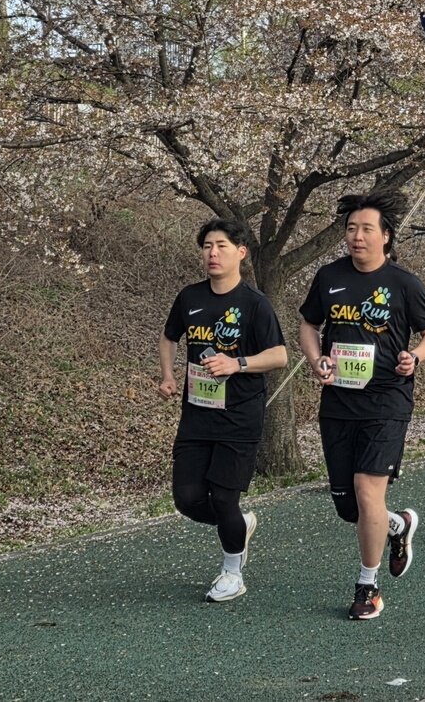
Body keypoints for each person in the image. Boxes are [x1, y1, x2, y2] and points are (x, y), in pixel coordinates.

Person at [300, 192, 425, 620]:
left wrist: (415, 355)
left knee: (367, 492)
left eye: (366, 229)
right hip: (339, 401)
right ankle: (398, 525)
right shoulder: (328, 278)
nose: (356, 237)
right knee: (351, 507)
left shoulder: (404, 283)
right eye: (350, 229)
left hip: (387, 400)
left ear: (386, 236)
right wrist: (315, 359)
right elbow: (309, 324)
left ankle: (368, 586)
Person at [159, 219, 289, 602]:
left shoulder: (254, 304)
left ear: (240, 252)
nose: (212, 253)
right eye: (207, 246)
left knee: (224, 497)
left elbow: (280, 355)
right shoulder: (190, 297)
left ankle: (232, 573)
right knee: (187, 497)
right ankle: (238, 525)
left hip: (240, 416)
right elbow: (169, 337)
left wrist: (238, 364)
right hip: (197, 413)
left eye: (221, 246)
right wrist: (168, 376)